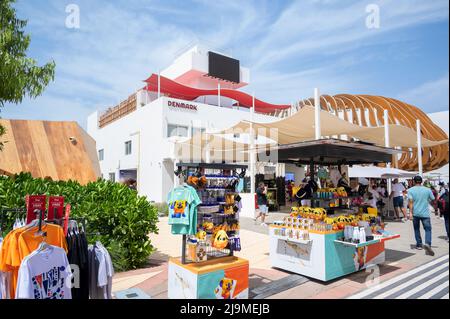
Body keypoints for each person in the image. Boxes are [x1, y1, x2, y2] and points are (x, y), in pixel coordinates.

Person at [408, 175, 436, 255]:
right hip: (425, 213)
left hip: (415, 213)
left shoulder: (410, 190)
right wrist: (435, 208)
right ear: (421, 182)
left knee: (416, 229)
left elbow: (410, 202)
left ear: (414, 181)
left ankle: (419, 245)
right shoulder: (427, 190)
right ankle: (428, 243)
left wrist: (410, 213)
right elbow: (433, 199)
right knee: (428, 229)